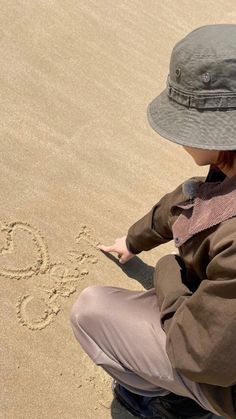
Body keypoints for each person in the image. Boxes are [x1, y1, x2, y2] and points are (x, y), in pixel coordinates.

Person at [69, 24, 236, 419]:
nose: (180, 139)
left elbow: (199, 354)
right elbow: (184, 203)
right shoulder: (225, 172)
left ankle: (168, 404)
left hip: (222, 372)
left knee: (90, 311)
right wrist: (132, 241)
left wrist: (166, 271)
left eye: (185, 125)